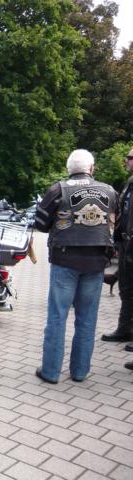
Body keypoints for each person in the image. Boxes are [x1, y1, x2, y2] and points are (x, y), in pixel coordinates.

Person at [34, 149, 118, 383]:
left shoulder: (58, 189)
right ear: (91, 168)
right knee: (87, 319)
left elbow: (40, 223)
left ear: (69, 169)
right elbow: (116, 221)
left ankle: (51, 372)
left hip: (64, 260)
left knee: (57, 317)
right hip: (96, 262)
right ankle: (80, 372)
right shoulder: (110, 191)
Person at [106, 148, 133, 370]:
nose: (127, 160)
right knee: (126, 289)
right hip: (125, 243)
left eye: (130, 157)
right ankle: (125, 330)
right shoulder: (130, 183)